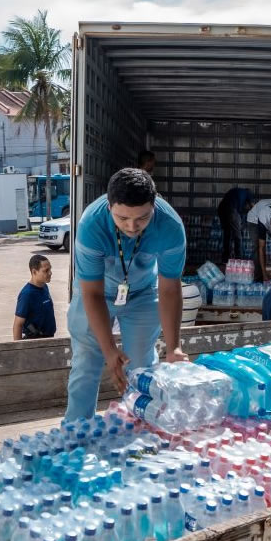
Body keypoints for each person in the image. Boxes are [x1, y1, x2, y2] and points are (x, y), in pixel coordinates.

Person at [66, 168, 188, 420]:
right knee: (87, 362)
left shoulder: (170, 227)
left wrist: (174, 347)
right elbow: (91, 294)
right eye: (122, 219)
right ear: (109, 206)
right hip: (97, 293)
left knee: (142, 366)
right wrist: (109, 350)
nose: (132, 227)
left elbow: (169, 288)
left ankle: (141, 426)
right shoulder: (91, 224)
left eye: (142, 218)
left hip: (143, 292)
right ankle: (75, 430)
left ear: (154, 205)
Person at [13, 255, 57, 340]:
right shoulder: (27, 294)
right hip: (35, 342)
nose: (50, 273)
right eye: (46, 270)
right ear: (34, 272)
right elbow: (18, 325)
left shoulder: (44, 287)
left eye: (50, 269)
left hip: (49, 339)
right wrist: (19, 351)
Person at [216, 187, 254, 263]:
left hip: (221, 209)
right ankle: (238, 258)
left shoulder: (237, 191)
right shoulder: (247, 193)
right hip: (231, 210)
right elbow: (252, 206)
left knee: (227, 234)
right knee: (238, 236)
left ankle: (225, 259)